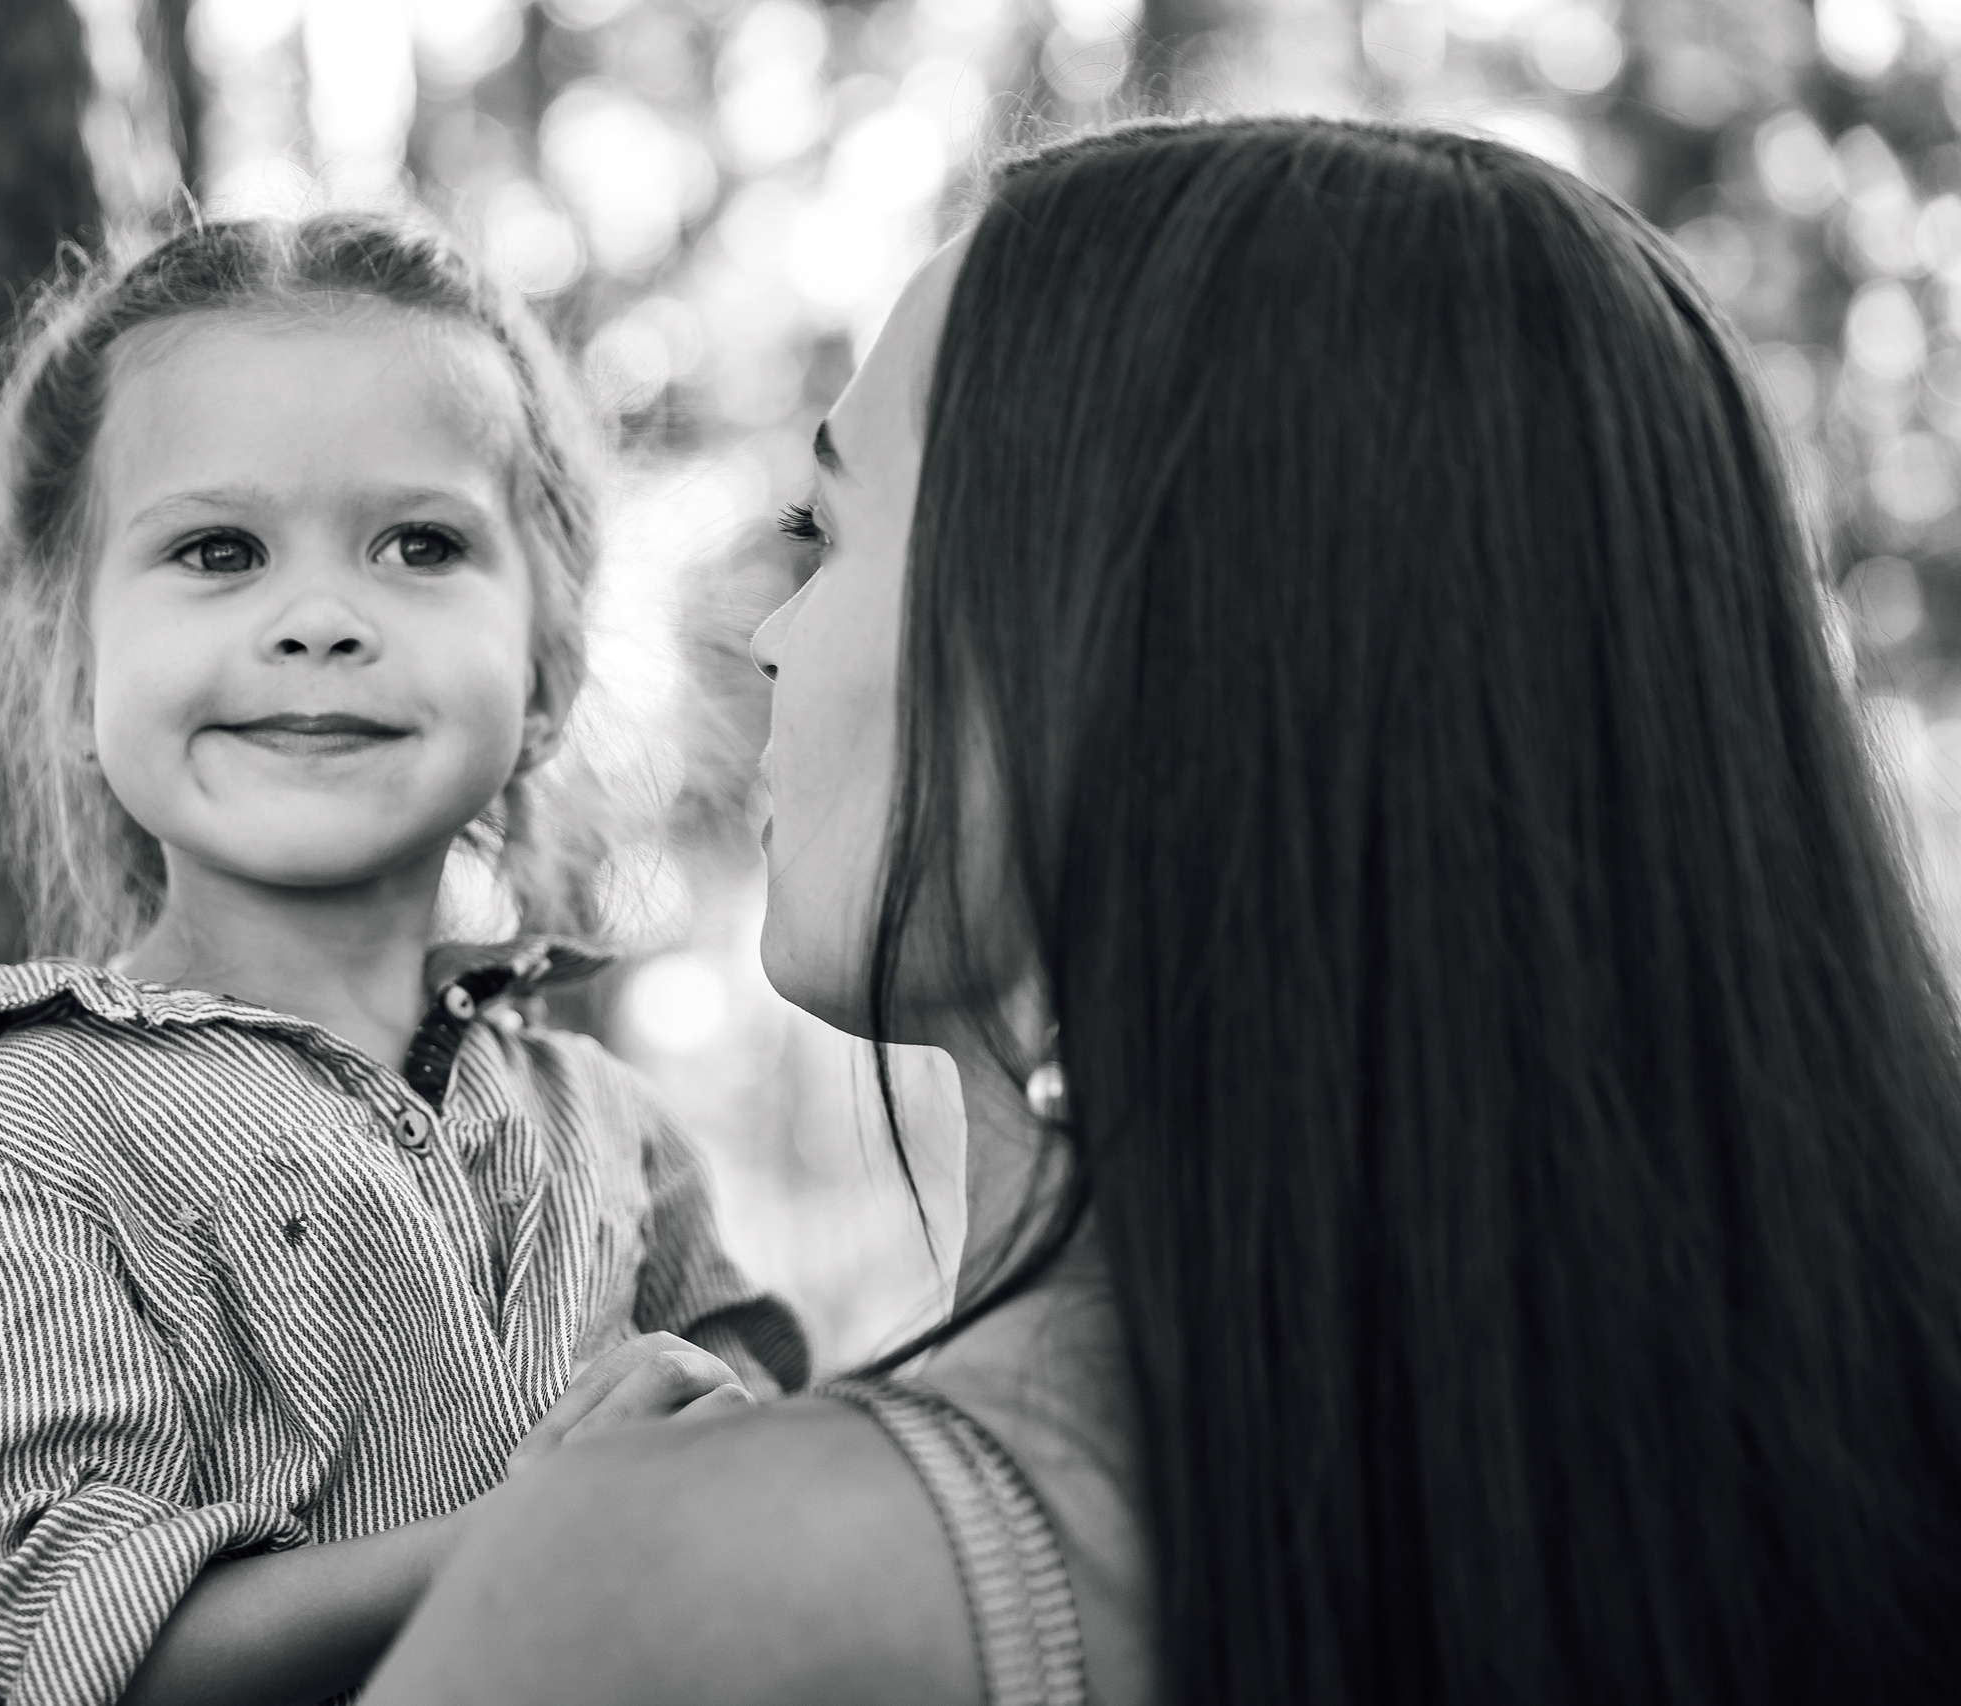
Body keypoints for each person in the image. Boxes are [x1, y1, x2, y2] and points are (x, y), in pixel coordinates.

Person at [360, 119, 1961, 1706]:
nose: (775, 635)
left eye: (830, 533)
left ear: (1111, 673)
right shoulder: (1824, 1501)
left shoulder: (678, 1590)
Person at [0, 211, 807, 1706]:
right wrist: (516, 1537)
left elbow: (776, 1489)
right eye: (219, 550)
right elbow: (18, 1643)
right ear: (77, 674)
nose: (322, 619)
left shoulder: (617, 1137)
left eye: (421, 544)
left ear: (546, 676)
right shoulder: (9, 1171)